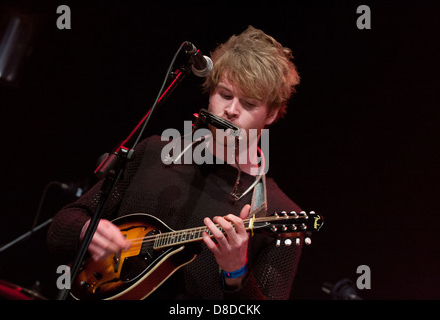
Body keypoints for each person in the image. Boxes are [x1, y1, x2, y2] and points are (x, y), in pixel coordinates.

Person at [47, 25, 302, 300]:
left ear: (273, 113)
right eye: (225, 95)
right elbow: (60, 227)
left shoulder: (278, 213)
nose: (231, 110)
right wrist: (86, 230)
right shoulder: (153, 152)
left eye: (249, 104)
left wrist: (236, 273)